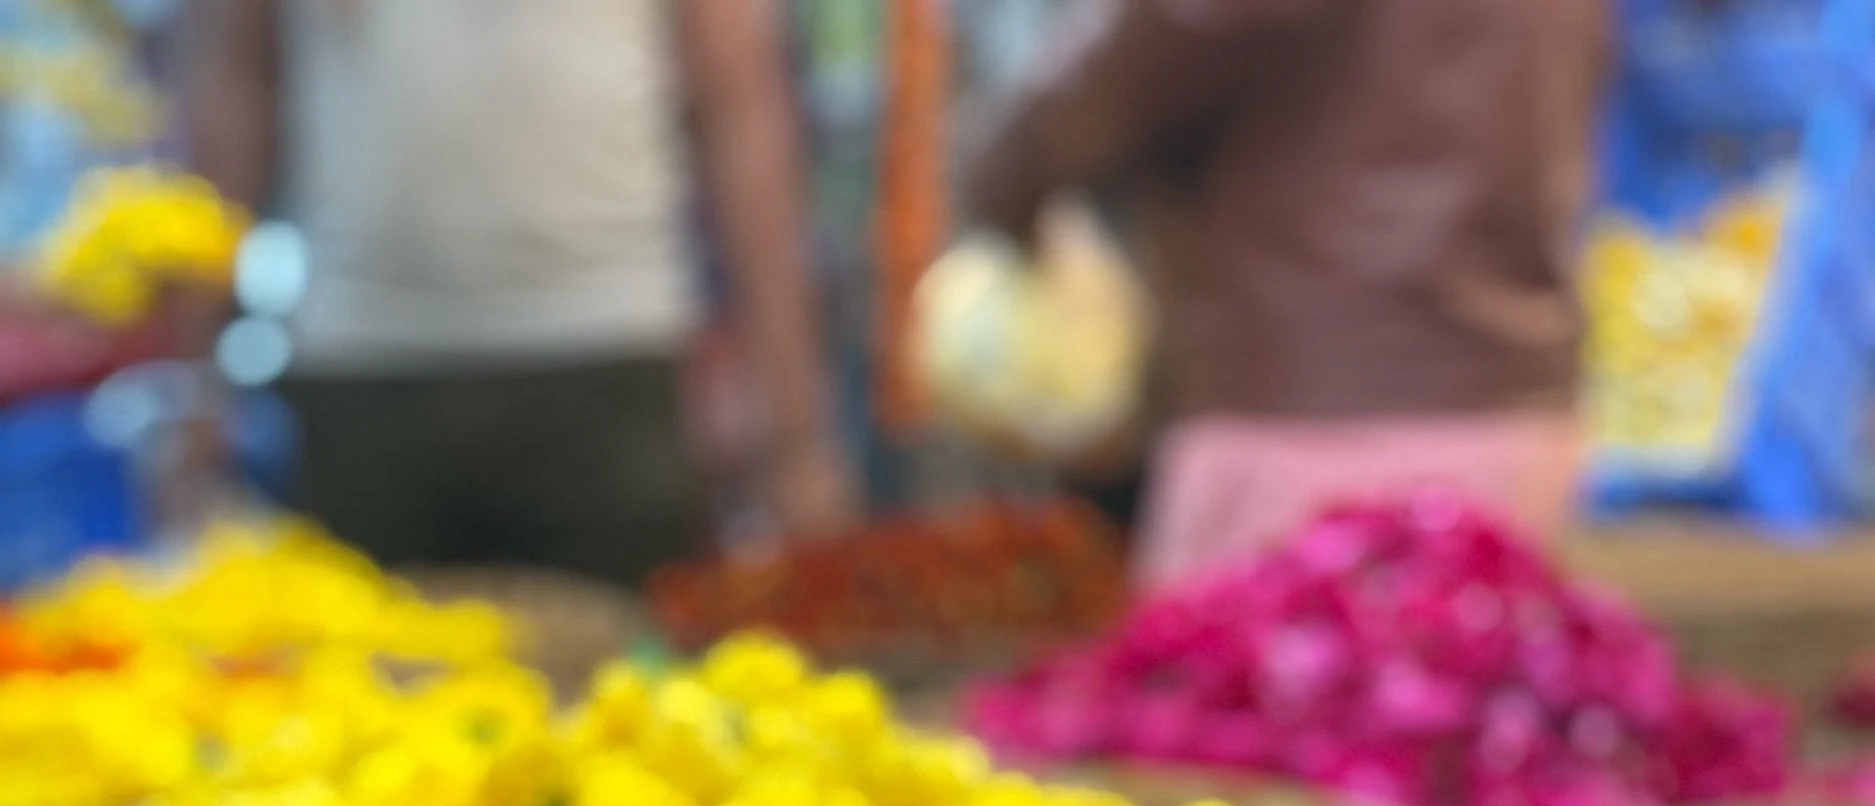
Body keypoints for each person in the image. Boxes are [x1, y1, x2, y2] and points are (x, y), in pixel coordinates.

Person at [184, 0, 855, 584]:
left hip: (606, 358)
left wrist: (796, 437)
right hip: (362, 366)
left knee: (630, 707)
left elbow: (740, 105)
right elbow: (236, 90)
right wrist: (191, 390)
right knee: (357, 708)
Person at [968, 0, 1611, 587]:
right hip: (1510, 393)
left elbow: (1174, 28)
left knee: (1258, 691)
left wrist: (1009, 174)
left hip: (1313, 400)